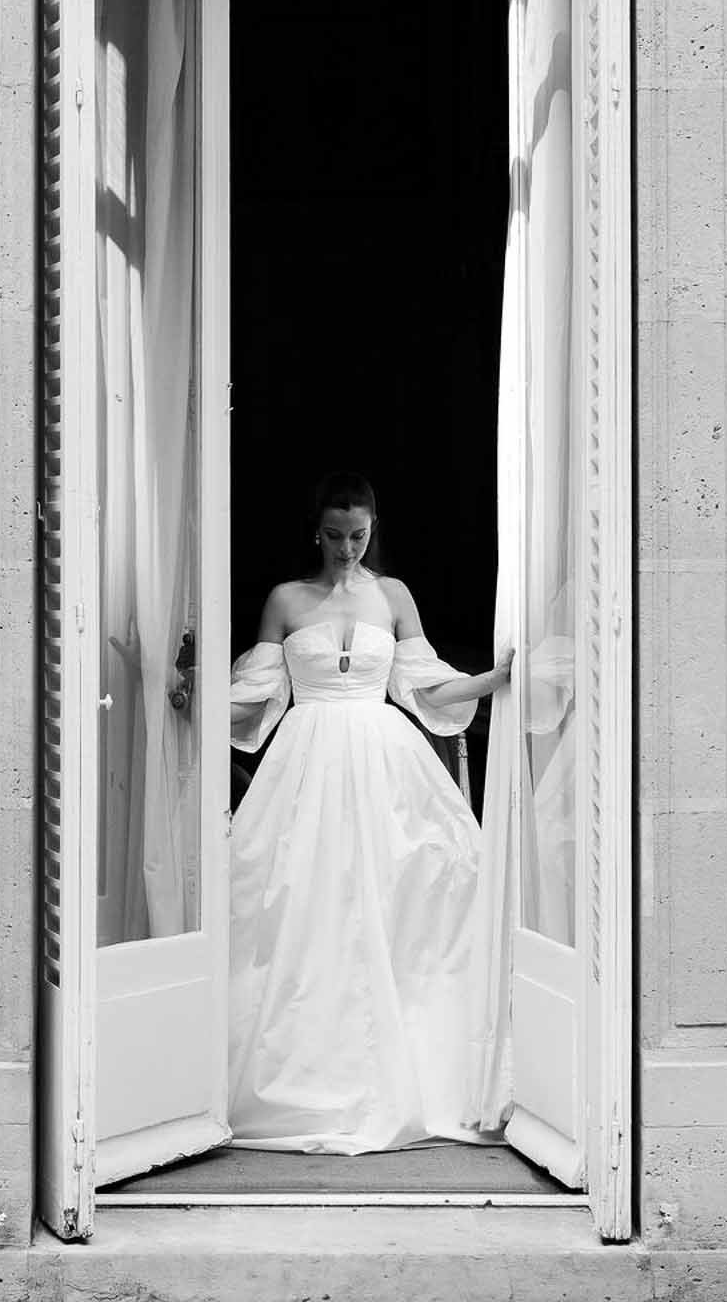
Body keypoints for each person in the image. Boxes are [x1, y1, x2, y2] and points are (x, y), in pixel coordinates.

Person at [227, 472, 512, 1152]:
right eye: (334, 535)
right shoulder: (287, 599)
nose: (346, 548)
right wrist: (195, 698)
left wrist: (496, 680)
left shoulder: (393, 595)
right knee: (302, 900)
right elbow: (258, 693)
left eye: (357, 535)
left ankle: (414, 1068)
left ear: (372, 529)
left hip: (384, 758)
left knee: (406, 892)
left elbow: (426, 686)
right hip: (307, 760)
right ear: (315, 531)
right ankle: (306, 1070)